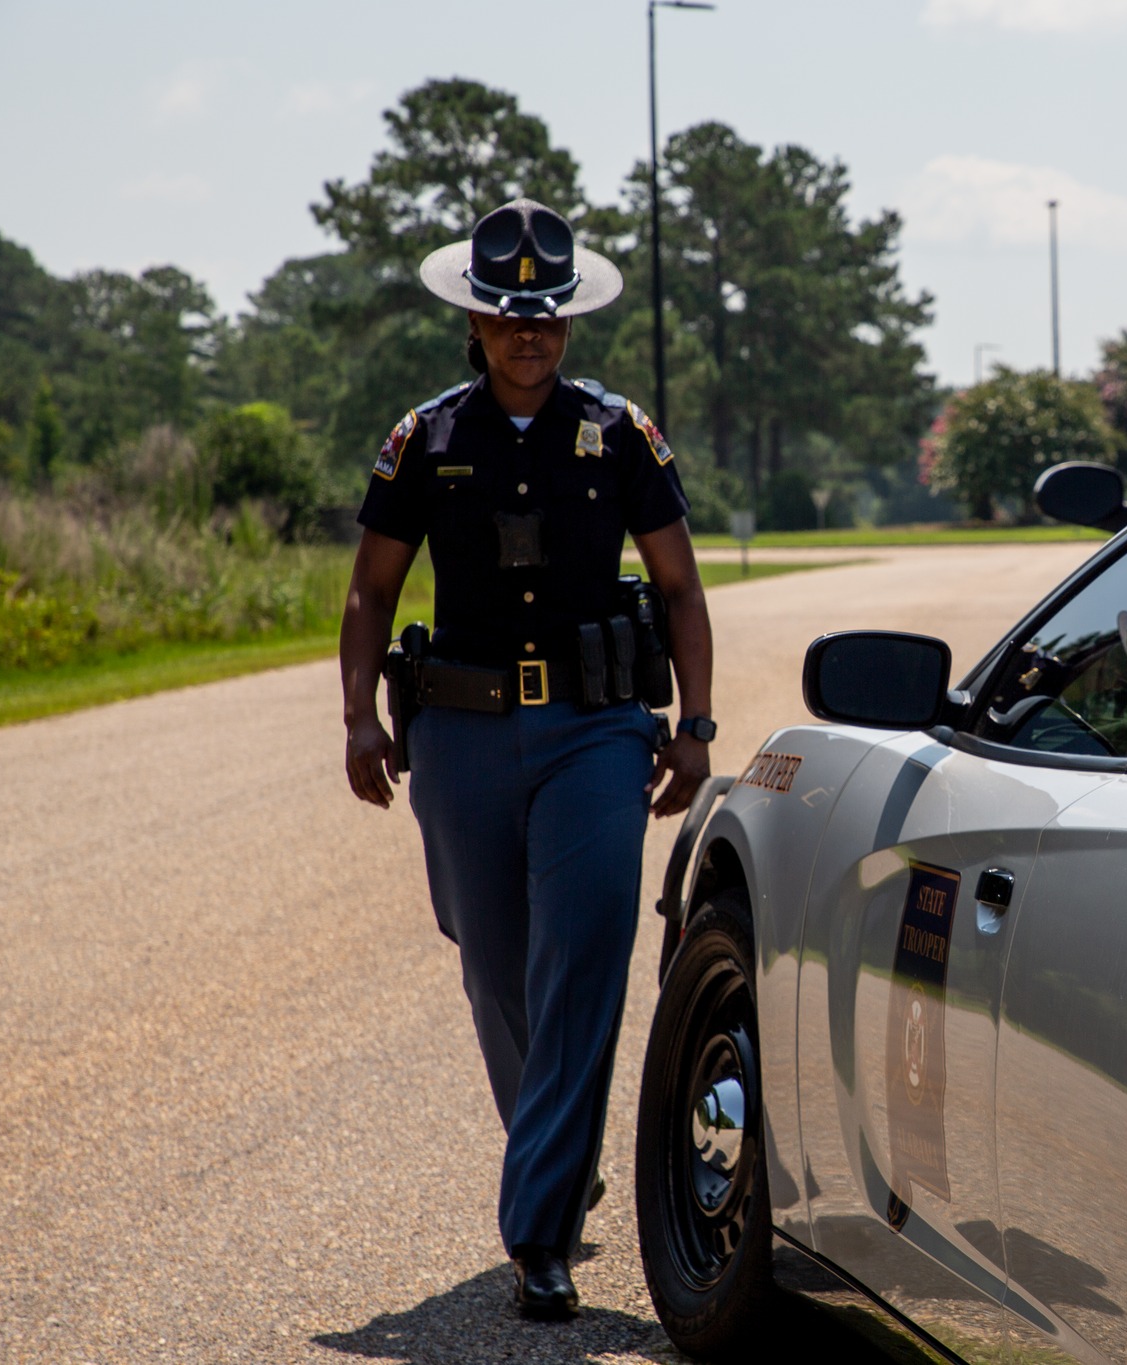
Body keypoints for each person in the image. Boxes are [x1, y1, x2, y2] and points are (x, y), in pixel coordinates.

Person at [337, 198, 715, 1321]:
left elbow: (682, 588)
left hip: (598, 735)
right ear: (474, 324)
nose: (529, 337)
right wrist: (359, 718)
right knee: (494, 967)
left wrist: (692, 729)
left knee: (583, 958)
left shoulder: (620, 433)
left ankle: (538, 1234)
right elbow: (370, 589)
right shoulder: (427, 439)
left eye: (545, 319)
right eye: (508, 320)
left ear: (566, 326)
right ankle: (556, 1152)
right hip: (457, 737)